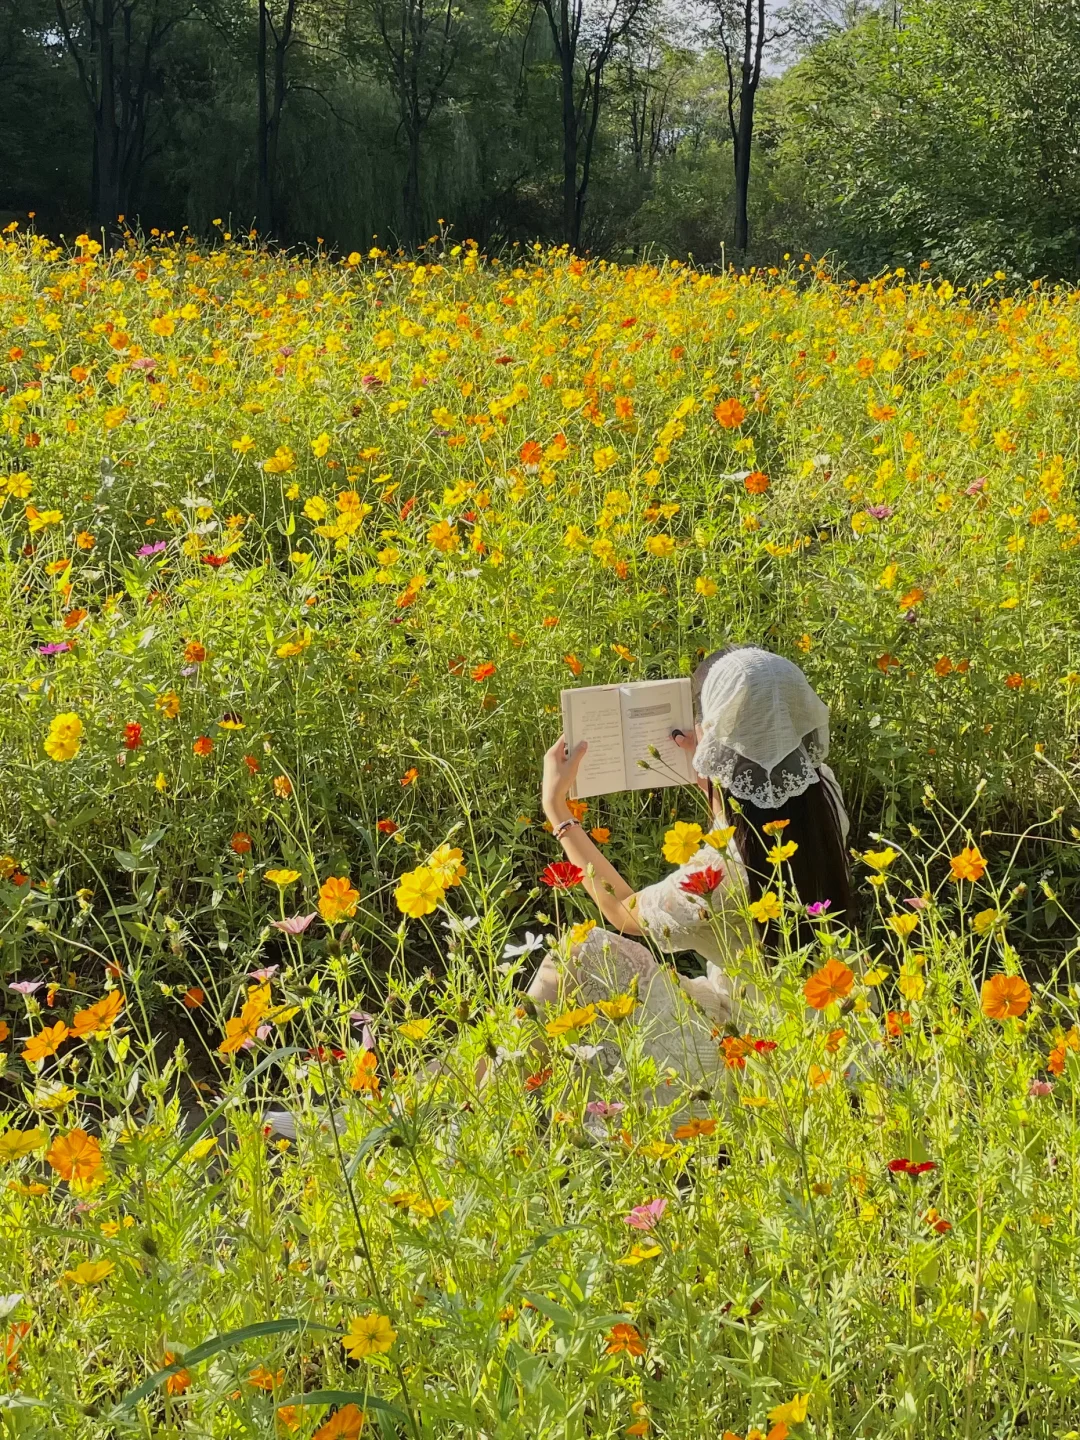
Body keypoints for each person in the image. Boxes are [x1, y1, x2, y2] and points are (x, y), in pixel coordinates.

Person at [524, 646, 852, 1104]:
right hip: (834, 1026)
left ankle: (493, 1092)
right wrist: (714, 776)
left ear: (714, 737)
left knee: (578, 955)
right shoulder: (824, 796)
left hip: (755, 1056)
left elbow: (623, 911)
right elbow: (755, 804)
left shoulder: (718, 875)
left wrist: (557, 810)